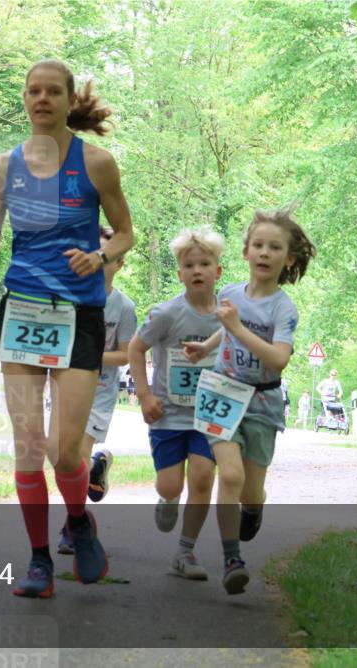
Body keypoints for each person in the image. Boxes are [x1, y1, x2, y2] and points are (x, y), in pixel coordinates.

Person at [0, 58, 134, 597]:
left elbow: (126, 234)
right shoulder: (1, 167)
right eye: (33, 91)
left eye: (52, 92)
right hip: (22, 310)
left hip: (80, 315)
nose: (41, 99)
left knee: (67, 453)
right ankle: (40, 561)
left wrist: (102, 253)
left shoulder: (97, 163)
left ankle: (80, 521)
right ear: (25, 99)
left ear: (69, 101)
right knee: (27, 446)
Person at [184, 207, 315, 595]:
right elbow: (226, 334)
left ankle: (254, 507)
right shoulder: (228, 294)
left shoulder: (283, 308)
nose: (264, 252)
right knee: (231, 474)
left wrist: (237, 327)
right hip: (222, 391)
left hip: (262, 401)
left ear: (288, 259)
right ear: (245, 252)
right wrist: (203, 346)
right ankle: (232, 558)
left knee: (250, 488)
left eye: (275, 247)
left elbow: (278, 359)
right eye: (257, 245)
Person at [128, 227, 224, 581]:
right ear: (179, 273)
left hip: (208, 415)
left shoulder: (228, 316)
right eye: (189, 265)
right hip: (167, 414)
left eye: (204, 264)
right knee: (171, 485)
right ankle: (167, 499)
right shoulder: (166, 313)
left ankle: (185, 552)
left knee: (202, 477)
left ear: (218, 271)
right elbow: (135, 349)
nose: (197, 270)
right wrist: (144, 395)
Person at [54, 226, 136, 554]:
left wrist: (92, 356)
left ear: (119, 264)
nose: (99, 261)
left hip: (100, 392)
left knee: (76, 453)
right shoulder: (69, 298)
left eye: (108, 255)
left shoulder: (124, 308)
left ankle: (71, 527)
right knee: (61, 458)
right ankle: (97, 467)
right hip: (66, 388)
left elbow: (127, 354)